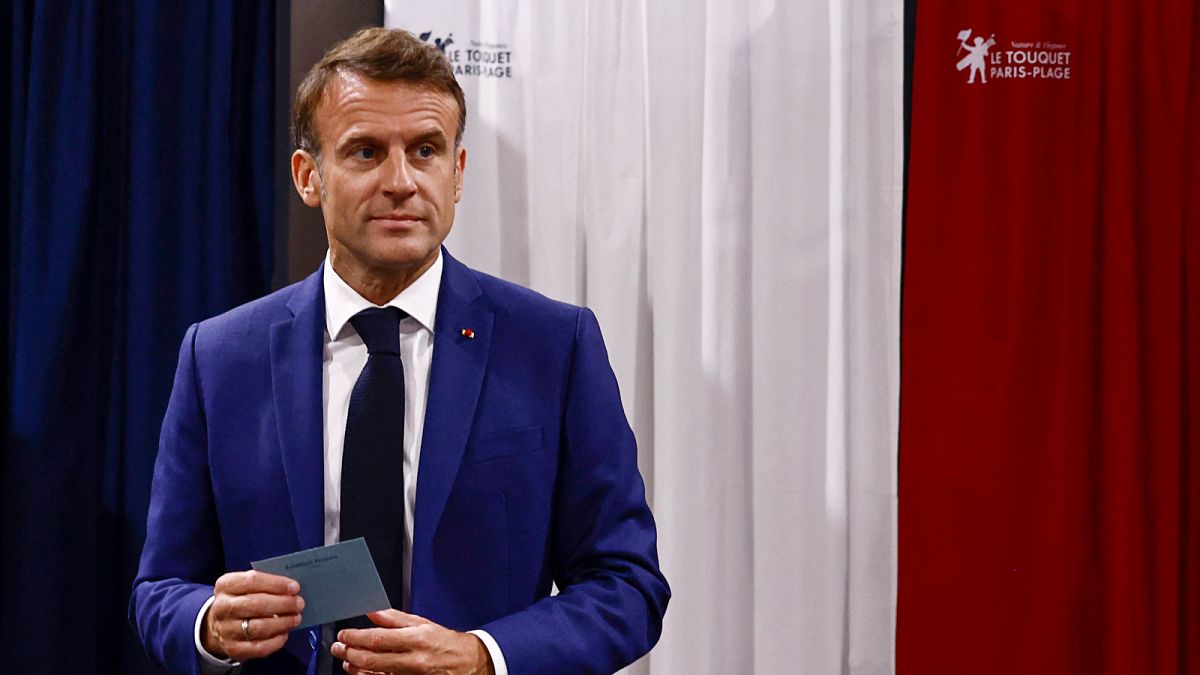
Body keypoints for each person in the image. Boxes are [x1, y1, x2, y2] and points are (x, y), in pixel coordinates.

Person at [129, 27, 669, 675]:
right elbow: (160, 588)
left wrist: (482, 656)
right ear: (309, 176)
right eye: (364, 151)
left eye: (425, 150)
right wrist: (209, 623)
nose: (402, 180)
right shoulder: (219, 357)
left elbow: (627, 585)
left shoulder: (554, 346)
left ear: (457, 172)